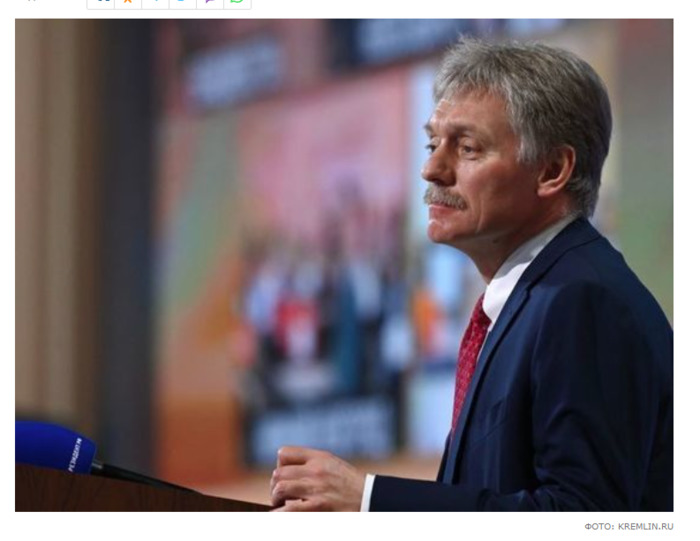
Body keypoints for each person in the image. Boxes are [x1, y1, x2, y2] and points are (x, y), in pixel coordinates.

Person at [268, 38, 673, 511]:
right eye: (432, 144)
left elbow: (585, 519)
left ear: (552, 170)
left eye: (466, 148)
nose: (431, 169)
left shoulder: (582, 300)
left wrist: (370, 502)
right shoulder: (532, 301)